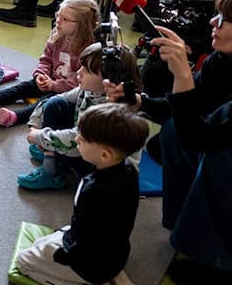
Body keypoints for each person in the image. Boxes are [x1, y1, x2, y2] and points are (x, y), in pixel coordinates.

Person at [105, 0, 232, 285]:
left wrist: (182, 74)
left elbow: (204, 137)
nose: (213, 23)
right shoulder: (226, 60)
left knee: (229, 153)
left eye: (225, 19)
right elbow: (185, 110)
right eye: (217, 15)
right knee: (174, 130)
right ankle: (197, 235)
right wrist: (136, 99)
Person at [16, 103, 150, 285]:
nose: (77, 140)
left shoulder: (92, 189)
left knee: (25, 261)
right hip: (117, 254)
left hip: (87, 263)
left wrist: (59, 254)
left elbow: (81, 241)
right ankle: (116, 276)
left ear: (105, 155)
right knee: (50, 240)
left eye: (83, 138)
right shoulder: (129, 170)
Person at [0, 0, 99, 127]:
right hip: (49, 81)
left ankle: (15, 117)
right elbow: (46, 60)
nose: (58, 21)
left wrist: (54, 85)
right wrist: (40, 75)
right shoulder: (58, 36)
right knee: (22, 88)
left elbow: (81, 82)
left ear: (81, 25)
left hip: (67, 91)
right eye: (58, 15)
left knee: (45, 103)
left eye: (65, 19)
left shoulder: (89, 50)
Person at [18, 43, 140, 190]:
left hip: (103, 170)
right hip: (84, 151)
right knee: (55, 103)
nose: (79, 72)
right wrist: (35, 124)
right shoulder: (89, 90)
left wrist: (39, 137)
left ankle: (53, 168)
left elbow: (77, 140)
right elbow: (51, 100)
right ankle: (53, 159)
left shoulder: (110, 110)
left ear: (109, 80)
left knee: (90, 186)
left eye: (87, 70)